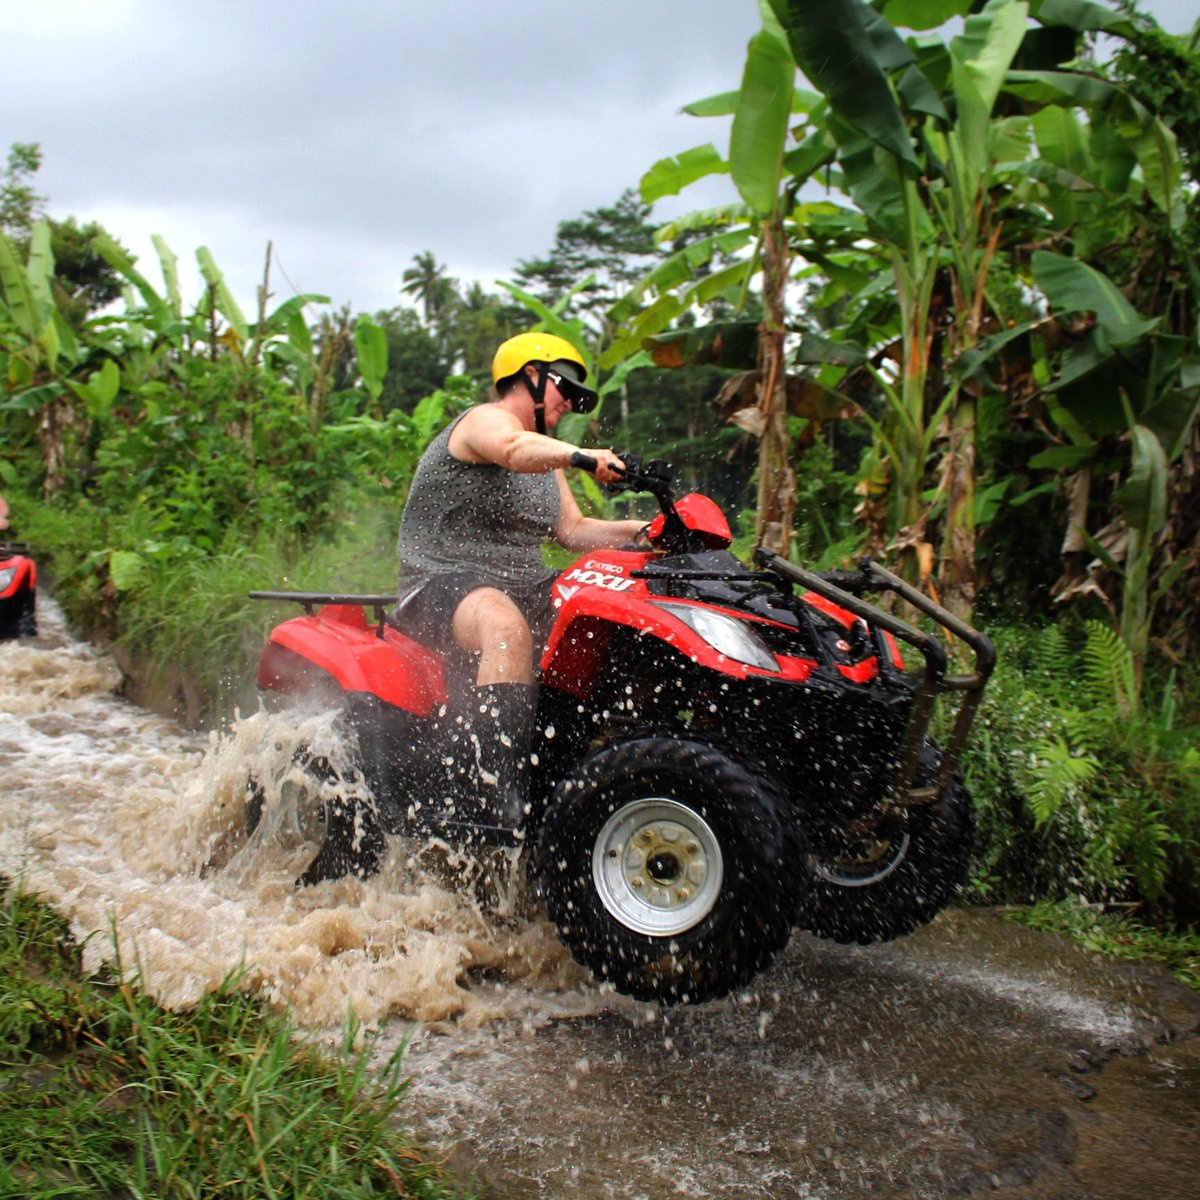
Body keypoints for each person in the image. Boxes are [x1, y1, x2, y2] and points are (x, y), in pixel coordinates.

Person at [395, 331, 645, 834]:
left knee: (612, 619)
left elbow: (574, 532)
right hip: (441, 582)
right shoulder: (486, 422)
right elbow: (511, 448)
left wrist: (649, 533)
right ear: (530, 376)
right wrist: (581, 455)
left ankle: (588, 773)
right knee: (504, 626)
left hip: (525, 583)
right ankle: (490, 795)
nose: (571, 403)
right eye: (565, 389)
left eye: (578, 398)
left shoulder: (547, 461)